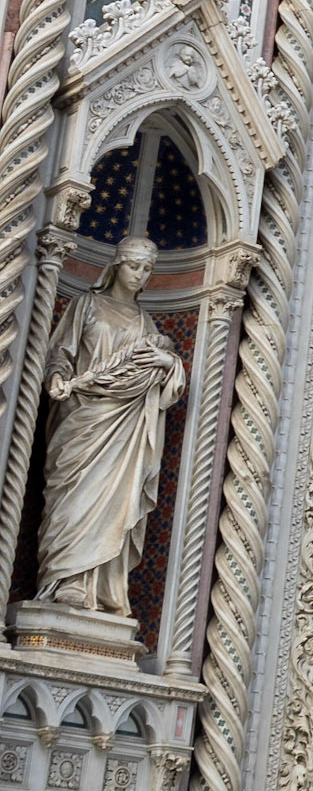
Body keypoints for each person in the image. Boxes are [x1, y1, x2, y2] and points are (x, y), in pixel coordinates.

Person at [35, 236, 185, 614]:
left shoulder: (145, 322)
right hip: (82, 418)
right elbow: (61, 353)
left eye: (148, 269)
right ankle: (64, 580)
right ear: (117, 265)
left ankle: (101, 590)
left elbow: (162, 378)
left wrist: (169, 366)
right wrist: (56, 377)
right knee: (73, 499)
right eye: (135, 266)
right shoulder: (86, 304)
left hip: (125, 426)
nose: (141, 275)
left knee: (114, 505)